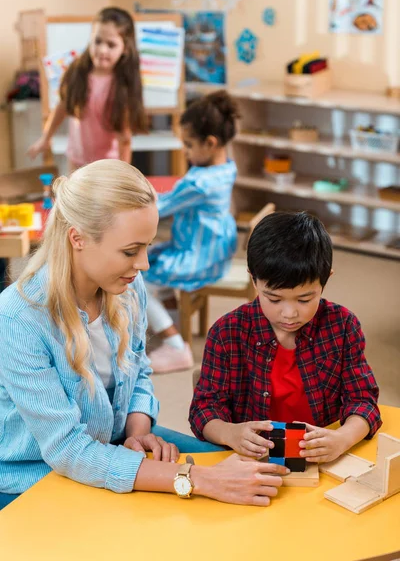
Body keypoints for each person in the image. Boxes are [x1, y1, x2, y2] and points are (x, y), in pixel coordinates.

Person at [0, 159, 288, 511]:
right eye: (130, 250)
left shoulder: (128, 289)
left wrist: (139, 432)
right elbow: (68, 452)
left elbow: (139, 374)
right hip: (37, 475)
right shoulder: (18, 317)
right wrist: (196, 479)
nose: (145, 264)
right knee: (202, 495)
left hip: (114, 441)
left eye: (147, 246)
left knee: (250, 472)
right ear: (78, 238)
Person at [189, 211, 382, 463]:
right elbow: (204, 409)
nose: (289, 314)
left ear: (326, 281)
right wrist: (230, 433)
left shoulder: (343, 326)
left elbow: (363, 399)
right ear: (253, 279)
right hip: (251, 461)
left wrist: (342, 438)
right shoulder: (227, 332)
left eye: (305, 299)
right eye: (274, 298)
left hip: (322, 459)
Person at [145, 90, 239, 374]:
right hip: (215, 250)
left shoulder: (199, 183)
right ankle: (174, 325)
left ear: (210, 144)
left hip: (199, 257)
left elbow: (159, 208)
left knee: (136, 276)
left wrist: (143, 194)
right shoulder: (226, 168)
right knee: (152, 262)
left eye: (188, 145)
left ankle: (175, 345)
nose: (184, 152)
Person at [28, 7, 147, 170]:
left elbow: (124, 139)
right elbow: (63, 106)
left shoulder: (122, 86)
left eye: (111, 45)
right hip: (76, 160)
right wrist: (46, 138)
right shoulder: (78, 72)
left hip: (108, 165)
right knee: (75, 196)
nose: (102, 50)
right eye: (97, 41)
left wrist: (123, 173)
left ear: (125, 48)